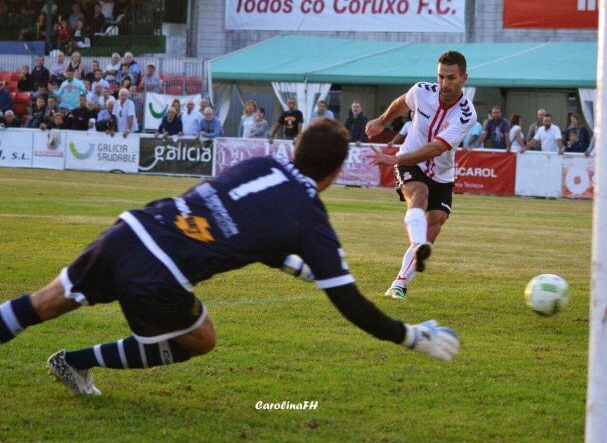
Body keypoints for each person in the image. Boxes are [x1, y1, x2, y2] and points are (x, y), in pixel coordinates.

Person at [0, 119, 459, 397]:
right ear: (337, 172)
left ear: (296, 147)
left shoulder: (259, 164)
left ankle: (72, 363)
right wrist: (408, 335)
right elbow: (350, 304)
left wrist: (292, 264)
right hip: (163, 272)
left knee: (42, 303)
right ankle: (80, 360)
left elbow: (244, 227)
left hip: (131, 230)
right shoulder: (310, 218)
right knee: (201, 338)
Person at [366, 51, 478, 300]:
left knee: (435, 222)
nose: (444, 84)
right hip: (410, 163)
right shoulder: (421, 91)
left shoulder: (467, 114)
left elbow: (437, 148)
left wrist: (393, 159)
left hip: (441, 172)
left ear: (464, 78)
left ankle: (399, 283)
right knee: (419, 194)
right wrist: (383, 120)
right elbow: (402, 102)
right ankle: (418, 245)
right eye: (440, 77)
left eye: (451, 78)